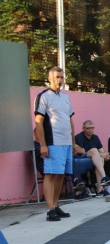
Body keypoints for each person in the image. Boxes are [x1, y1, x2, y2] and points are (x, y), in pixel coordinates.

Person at [34, 67, 76, 221]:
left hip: (66, 142)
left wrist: (73, 142)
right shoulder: (43, 97)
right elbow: (39, 122)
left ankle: (56, 205)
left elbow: (70, 119)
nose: (60, 80)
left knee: (61, 175)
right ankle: (49, 209)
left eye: (62, 77)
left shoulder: (66, 97)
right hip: (53, 142)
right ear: (50, 78)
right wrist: (43, 145)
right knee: (50, 174)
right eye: (57, 77)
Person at [75, 120, 110, 196]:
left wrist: (106, 155)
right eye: (88, 128)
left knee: (101, 158)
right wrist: (101, 154)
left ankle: (100, 190)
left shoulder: (95, 137)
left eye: (92, 128)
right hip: (81, 159)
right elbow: (80, 151)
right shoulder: (79, 137)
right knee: (94, 150)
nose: (90, 130)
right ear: (83, 128)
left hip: (94, 160)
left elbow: (102, 151)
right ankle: (104, 177)